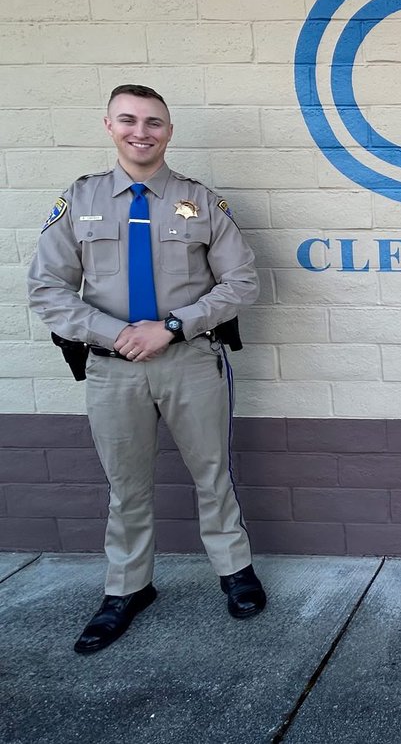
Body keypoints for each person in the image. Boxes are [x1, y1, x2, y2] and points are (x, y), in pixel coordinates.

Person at [28, 84, 267, 654]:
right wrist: (117, 334)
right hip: (113, 369)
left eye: (154, 122)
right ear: (108, 125)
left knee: (213, 474)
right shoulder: (80, 202)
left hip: (189, 360)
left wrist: (173, 326)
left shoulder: (200, 201)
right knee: (126, 485)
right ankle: (127, 588)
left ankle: (235, 572)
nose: (142, 131)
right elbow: (47, 288)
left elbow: (242, 281)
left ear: (169, 131)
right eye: (129, 120)